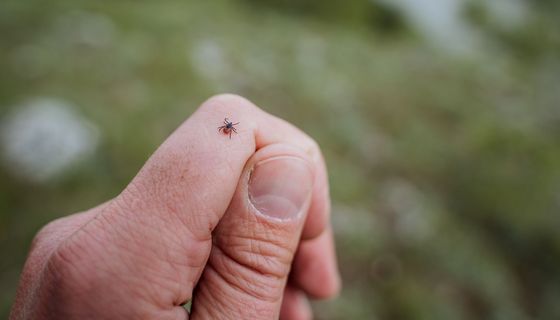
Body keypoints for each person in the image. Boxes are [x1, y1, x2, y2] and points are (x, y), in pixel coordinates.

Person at [10, 94, 341, 320]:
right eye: (227, 127)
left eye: (229, 127)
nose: (228, 128)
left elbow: (228, 126)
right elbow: (228, 127)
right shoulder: (229, 128)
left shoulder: (228, 127)